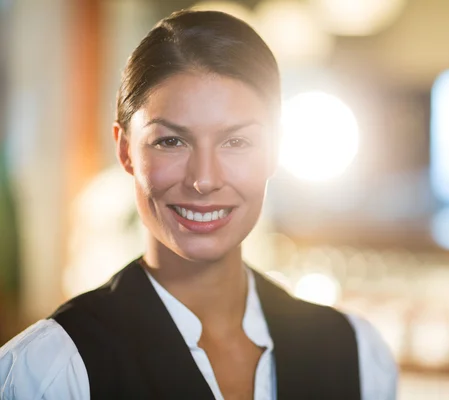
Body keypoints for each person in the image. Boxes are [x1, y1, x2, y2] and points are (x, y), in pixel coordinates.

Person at [0, 10, 397, 400]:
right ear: (125, 150)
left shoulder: (356, 354)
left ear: (275, 149)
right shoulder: (47, 371)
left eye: (236, 142)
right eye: (171, 141)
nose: (203, 179)